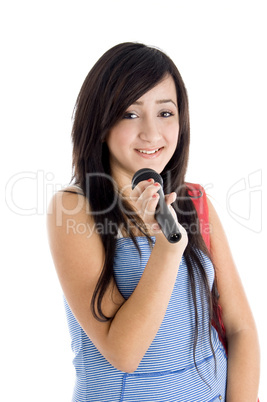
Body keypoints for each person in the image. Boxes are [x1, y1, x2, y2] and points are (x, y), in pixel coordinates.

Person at [47, 42, 260, 401]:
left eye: (165, 113)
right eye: (130, 114)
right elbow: (124, 353)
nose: (152, 132)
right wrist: (168, 246)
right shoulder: (73, 208)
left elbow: (240, 328)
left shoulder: (194, 202)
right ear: (100, 122)